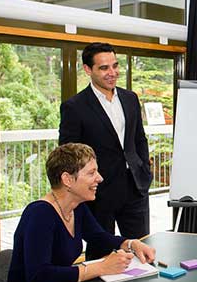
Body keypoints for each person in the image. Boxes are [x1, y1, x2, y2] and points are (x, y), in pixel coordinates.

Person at [3, 143, 156, 282]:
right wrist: (101, 267)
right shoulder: (40, 214)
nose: (100, 178)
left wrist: (131, 244)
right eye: (91, 173)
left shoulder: (77, 207)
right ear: (67, 179)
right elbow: (39, 277)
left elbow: (98, 237)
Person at [59, 42, 152, 260]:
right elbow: (68, 154)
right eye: (104, 68)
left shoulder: (130, 98)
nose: (112, 73)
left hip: (134, 187)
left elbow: (139, 138)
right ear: (87, 70)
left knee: (141, 248)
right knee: (100, 252)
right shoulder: (75, 106)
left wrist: (144, 168)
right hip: (98, 192)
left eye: (115, 66)